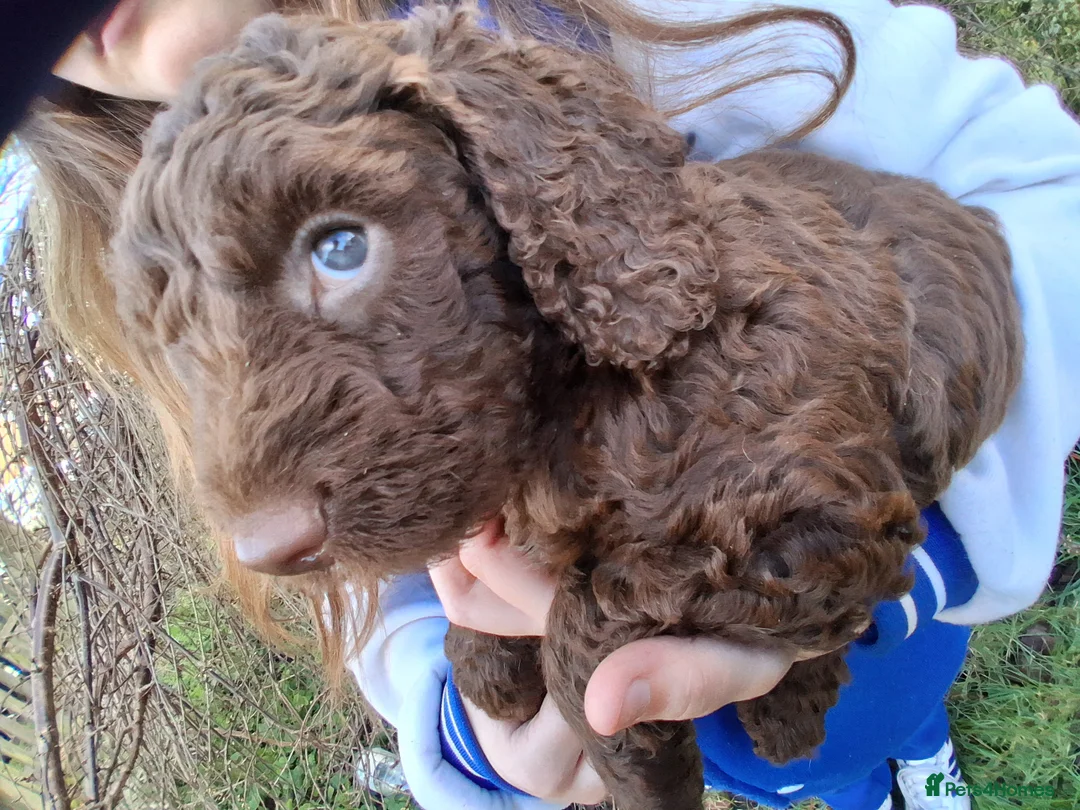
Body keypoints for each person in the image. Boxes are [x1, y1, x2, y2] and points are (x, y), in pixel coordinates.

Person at [14, 1, 1080, 809]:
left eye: (341, 248)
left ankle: (896, 769)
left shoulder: (632, 27)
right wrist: (463, 717)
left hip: (886, 586)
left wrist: (909, 551)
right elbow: (405, 584)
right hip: (641, 693)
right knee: (762, 767)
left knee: (862, 735)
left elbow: (1050, 203)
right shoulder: (153, 229)